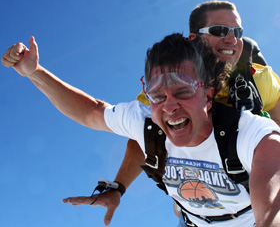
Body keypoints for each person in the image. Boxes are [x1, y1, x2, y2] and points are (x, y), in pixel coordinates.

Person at [2, 33, 280, 226]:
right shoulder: (146, 121)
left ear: (208, 95)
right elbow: (90, 111)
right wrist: (34, 72)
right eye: (157, 95)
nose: (169, 106)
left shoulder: (252, 135)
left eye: (182, 90)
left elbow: (271, 211)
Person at [90, 0, 280, 224]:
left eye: (237, 32)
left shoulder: (258, 79)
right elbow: (144, 138)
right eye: (219, 31)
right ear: (194, 38)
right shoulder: (164, 87)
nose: (232, 39)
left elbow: (277, 121)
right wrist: (118, 187)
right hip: (196, 213)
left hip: (252, 207)